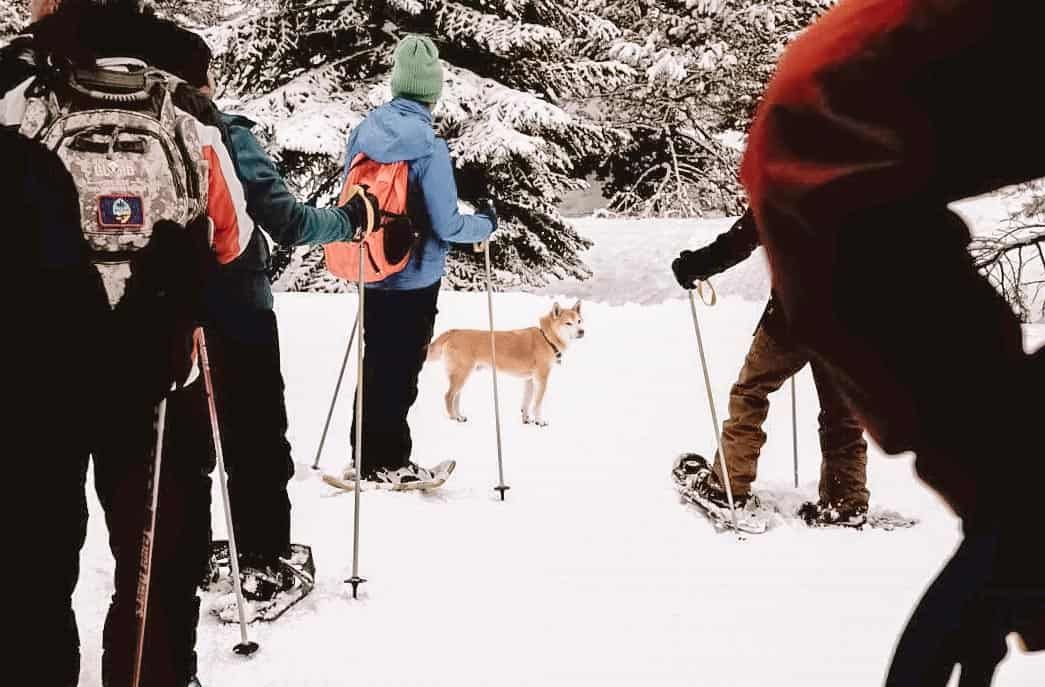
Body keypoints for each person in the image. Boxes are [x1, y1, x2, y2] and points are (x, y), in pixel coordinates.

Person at [739, 0, 1044, 683]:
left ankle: (851, 499)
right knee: (1009, 491)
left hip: (826, 183)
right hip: (830, 188)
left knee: (1005, 490)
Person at [2, 1, 257, 684]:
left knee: (30, 561)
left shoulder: (18, 97)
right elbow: (234, 239)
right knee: (158, 563)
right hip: (156, 370)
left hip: (37, 369)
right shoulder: (184, 109)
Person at [176, 76, 375, 601]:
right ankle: (262, 560)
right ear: (204, 79)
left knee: (184, 445)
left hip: (158, 314)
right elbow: (288, 221)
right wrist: (351, 219)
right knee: (256, 437)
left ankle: (185, 558)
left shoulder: (130, 129)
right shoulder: (221, 132)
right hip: (237, 306)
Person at [339, 34, 496, 487]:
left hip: (371, 265)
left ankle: (365, 456)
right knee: (402, 368)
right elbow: (448, 225)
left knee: (376, 362)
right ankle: (390, 462)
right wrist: (486, 224)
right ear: (432, 90)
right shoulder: (429, 146)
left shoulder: (364, 133)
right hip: (414, 274)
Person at [671, 209, 870, 525]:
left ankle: (728, 488)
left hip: (796, 313)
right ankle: (845, 502)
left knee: (750, 392)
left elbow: (742, 238)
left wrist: (696, 265)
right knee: (842, 412)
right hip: (852, 317)